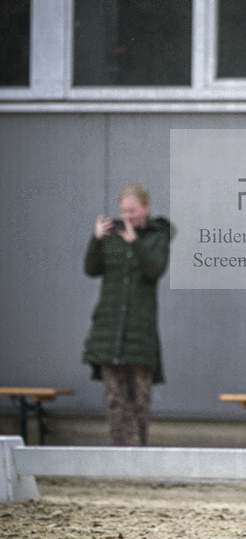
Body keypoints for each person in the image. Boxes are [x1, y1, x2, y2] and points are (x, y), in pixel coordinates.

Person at [83, 184, 172, 445]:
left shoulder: (156, 237)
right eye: (124, 211)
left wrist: (135, 243)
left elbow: (155, 269)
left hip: (140, 335)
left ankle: (138, 456)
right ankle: (120, 455)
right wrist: (96, 239)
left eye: (132, 210)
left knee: (139, 401)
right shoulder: (111, 236)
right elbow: (91, 268)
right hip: (108, 333)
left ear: (145, 209)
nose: (127, 216)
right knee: (115, 401)